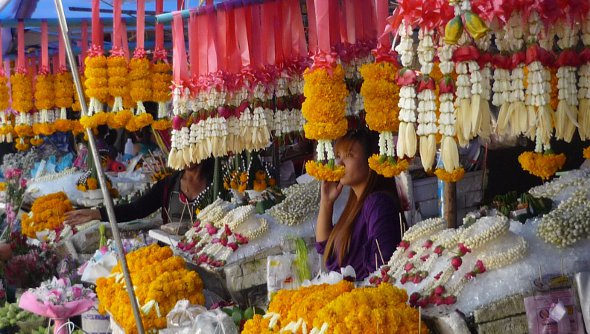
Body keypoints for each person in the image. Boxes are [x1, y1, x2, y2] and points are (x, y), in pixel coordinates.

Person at [315, 128, 405, 280]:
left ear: (371, 160)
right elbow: (326, 249)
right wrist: (326, 202)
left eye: (349, 155)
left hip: (368, 299)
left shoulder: (377, 202)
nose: (340, 163)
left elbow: (382, 268)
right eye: (338, 156)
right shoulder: (356, 203)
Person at [64, 158, 214, 227]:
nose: (185, 155)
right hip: (174, 256)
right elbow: (136, 209)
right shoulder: (169, 185)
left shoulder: (215, 184)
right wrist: (96, 214)